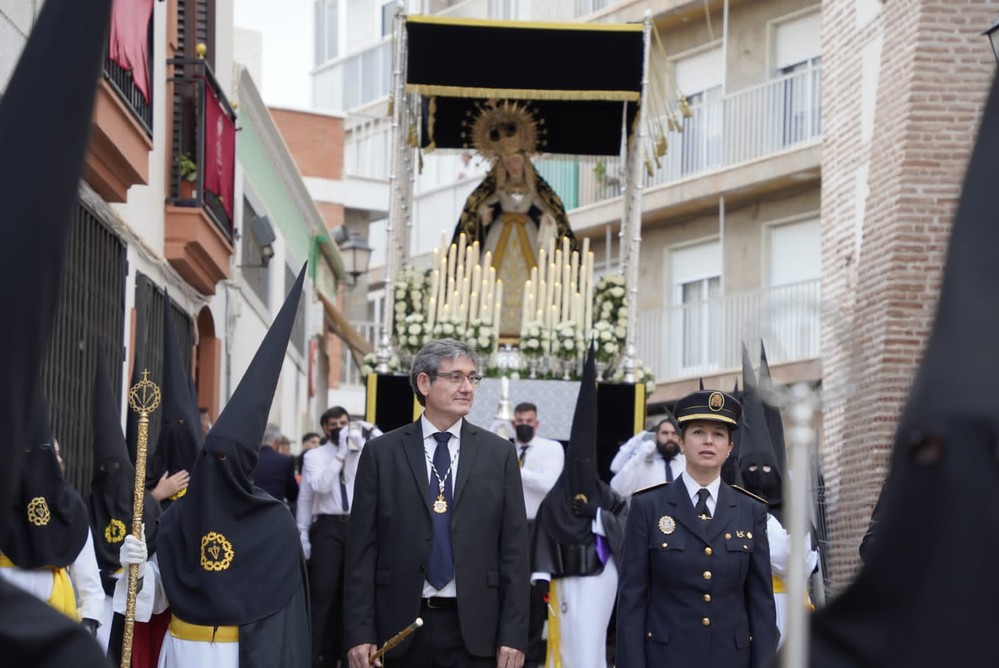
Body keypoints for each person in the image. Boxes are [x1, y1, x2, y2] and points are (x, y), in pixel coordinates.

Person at [117, 267, 311, 667]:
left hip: (237, 656)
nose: (216, 467)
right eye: (210, 457)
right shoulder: (180, 518)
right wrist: (136, 568)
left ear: (246, 466)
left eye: (226, 459)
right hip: (179, 650)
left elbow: (284, 617)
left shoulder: (274, 522)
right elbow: (155, 600)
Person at [345, 338, 529, 668]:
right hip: (398, 627)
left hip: (477, 630)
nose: (467, 387)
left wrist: (513, 635)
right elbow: (361, 549)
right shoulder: (382, 453)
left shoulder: (498, 454)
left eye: (472, 377)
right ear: (424, 383)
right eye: (455, 377)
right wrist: (359, 632)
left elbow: (514, 550)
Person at [616, 389, 778, 668]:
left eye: (718, 434)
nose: (708, 441)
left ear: (730, 447)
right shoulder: (648, 506)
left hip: (732, 658)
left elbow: (761, 601)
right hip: (666, 658)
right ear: (681, 442)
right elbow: (632, 599)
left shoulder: (750, 510)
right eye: (698, 432)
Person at [530, 347, 627, 668]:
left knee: (589, 638)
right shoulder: (555, 498)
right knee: (568, 638)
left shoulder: (607, 495)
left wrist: (596, 516)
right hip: (564, 578)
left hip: (600, 575)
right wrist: (540, 576)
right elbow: (543, 535)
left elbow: (623, 526)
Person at [453, 100, 576, 336]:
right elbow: (480, 206)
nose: (513, 166)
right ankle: (489, 322)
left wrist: (548, 219)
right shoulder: (498, 189)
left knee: (535, 278)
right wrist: (483, 214)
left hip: (527, 235)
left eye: (516, 161)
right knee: (490, 277)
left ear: (524, 162)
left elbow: (549, 208)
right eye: (509, 163)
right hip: (500, 233)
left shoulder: (535, 190)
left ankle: (533, 324)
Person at [0, 392, 105, 634]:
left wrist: (88, 622)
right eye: (27, 452)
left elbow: (89, 582)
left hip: (54, 624)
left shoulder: (68, 507)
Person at [88, 351, 166, 664]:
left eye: (117, 468)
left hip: (133, 601)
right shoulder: (88, 506)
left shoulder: (146, 507)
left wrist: (138, 569)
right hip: (96, 602)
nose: (111, 475)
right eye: (104, 470)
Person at [738, 350, 817, 649]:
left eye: (767, 468)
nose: (759, 475)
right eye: (751, 469)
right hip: (750, 612)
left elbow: (802, 562)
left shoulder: (793, 511)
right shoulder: (734, 509)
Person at [298, 405, 376, 668]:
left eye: (344, 423)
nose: (341, 429)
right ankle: (312, 657)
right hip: (328, 527)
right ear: (325, 428)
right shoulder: (315, 455)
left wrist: (364, 438)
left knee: (351, 593)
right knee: (323, 593)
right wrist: (302, 534)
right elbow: (314, 490)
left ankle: (347, 657)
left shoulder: (360, 451)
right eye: (335, 425)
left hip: (355, 525)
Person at [510, 401, 564, 665]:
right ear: (513, 423)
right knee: (507, 591)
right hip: (508, 526)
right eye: (520, 421)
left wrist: (515, 469)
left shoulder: (550, 448)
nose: (524, 425)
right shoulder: (503, 448)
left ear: (537, 423)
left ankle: (530, 659)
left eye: (529, 421)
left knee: (534, 597)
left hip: (538, 529)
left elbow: (549, 484)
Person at [145, 306, 199, 510]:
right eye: (168, 424)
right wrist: (157, 495)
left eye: (182, 424)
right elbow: (131, 518)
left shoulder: (206, 475)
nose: (175, 430)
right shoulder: (148, 472)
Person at [610, 414, 685, 500]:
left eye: (674, 433)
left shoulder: (686, 463)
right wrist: (639, 456)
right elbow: (619, 490)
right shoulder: (641, 461)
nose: (669, 438)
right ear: (656, 435)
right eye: (665, 433)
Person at [253, 422, 299, 507]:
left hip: (250, 510)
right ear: (277, 441)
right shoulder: (285, 460)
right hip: (274, 510)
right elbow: (292, 495)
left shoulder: (248, 458)